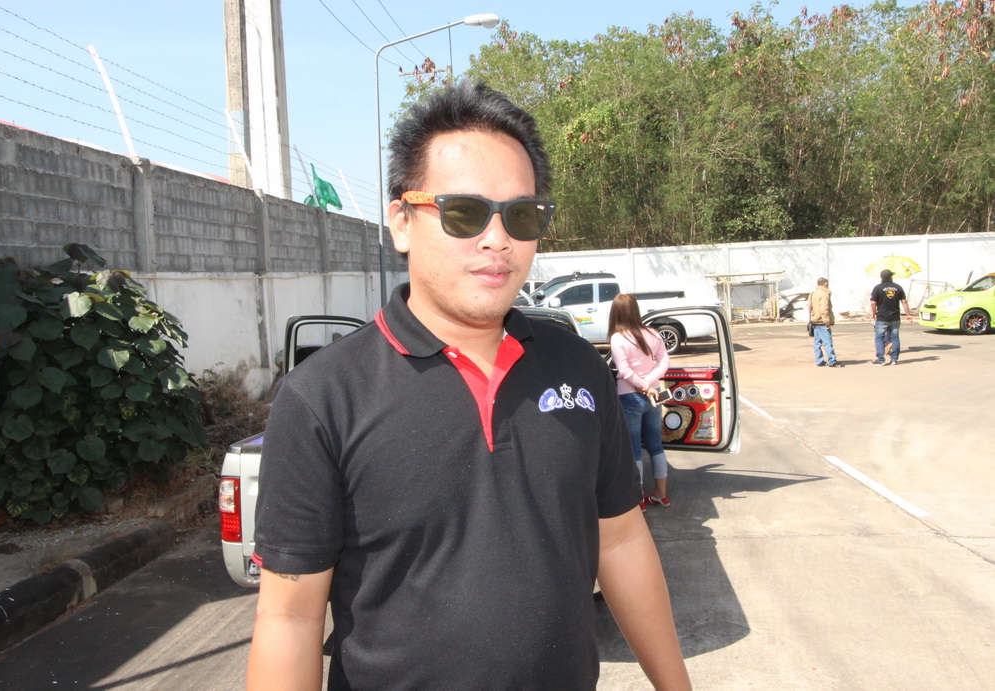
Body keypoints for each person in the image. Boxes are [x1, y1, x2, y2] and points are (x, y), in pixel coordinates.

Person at [246, 82, 691, 691]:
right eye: (465, 211)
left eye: (522, 215)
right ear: (402, 223)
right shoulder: (323, 397)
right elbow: (289, 618)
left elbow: (620, 542)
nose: (497, 239)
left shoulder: (578, 367)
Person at [608, 294, 673, 509]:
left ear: (615, 313)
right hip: (654, 395)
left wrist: (642, 385)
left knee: (634, 448)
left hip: (629, 396)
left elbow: (624, 370)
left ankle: (638, 499)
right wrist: (649, 383)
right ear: (636, 310)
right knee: (655, 445)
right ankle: (661, 494)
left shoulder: (618, 338)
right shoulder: (653, 333)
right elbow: (664, 361)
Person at [870, 268, 912, 366]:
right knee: (895, 338)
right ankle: (894, 359)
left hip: (882, 318)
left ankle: (881, 360)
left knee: (879, 338)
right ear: (891, 277)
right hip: (895, 318)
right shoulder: (898, 287)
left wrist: (873, 313)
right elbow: (904, 302)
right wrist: (908, 314)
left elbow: (873, 303)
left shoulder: (877, 288)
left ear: (881, 277)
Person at [808, 277, 842, 367]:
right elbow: (824, 309)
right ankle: (832, 361)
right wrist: (827, 322)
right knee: (828, 342)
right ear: (825, 283)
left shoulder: (813, 293)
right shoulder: (824, 294)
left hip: (815, 321)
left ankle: (819, 360)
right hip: (822, 322)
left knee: (817, 342)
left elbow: (809, 307)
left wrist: (812, 317)